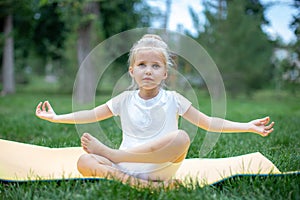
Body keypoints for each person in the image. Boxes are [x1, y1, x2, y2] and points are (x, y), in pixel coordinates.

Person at [35, 34, 274, 188]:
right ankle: (143, 185)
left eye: (155, 66)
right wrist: (56, 117)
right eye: (142, 65)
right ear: (131, 71)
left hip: (161, 166)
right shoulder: (124, 100)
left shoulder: (175, 99)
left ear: (165, 73)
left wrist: (247, 126)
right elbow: (91, 114)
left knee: (182, 137)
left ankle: (117, 157)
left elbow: (209, 122)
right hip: (127, 168)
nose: (148, 71)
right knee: (85, 160)